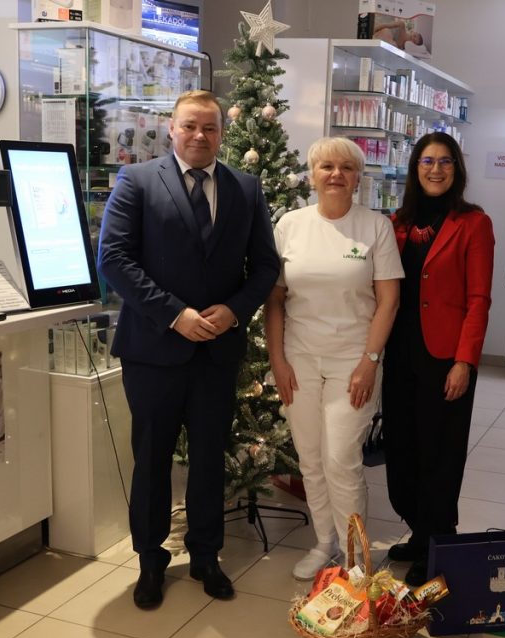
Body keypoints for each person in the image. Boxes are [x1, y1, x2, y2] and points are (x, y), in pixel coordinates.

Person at [98, 89, 279, 609]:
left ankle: (205, 555)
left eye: (210, 127)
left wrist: (235, 310)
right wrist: (175, 314)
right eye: (190, 126)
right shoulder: (137, 181)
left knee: (208, 460)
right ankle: (150, 559)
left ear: (222, 132)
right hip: (154, 351)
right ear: (172, 129)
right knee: (151, 460)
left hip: (216, 353)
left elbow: (265, 265)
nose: (200, 135)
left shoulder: (245, 188)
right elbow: (114, 259)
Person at [264, 137, 402, 581]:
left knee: (341, 459)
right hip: (299, 359)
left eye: (346, 167)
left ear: (359, 177)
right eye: (326, 166)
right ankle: (323, 542)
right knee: (309, 457)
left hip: (353, 360)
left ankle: (354, 554)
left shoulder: (375, 226)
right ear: (312, 175)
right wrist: (278, 361)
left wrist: (370, 361)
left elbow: (389, 301)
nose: (336, 174)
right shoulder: (290, 225)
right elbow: (275, 300)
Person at [381, 132, 495, 586]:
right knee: (402, 451)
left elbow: (479, 298)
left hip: (445, 359)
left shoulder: (473, 223)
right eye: (427, 161)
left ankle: (437, 540)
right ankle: (419, 529)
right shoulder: (397, 223)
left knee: (439, 454)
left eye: (445, 161)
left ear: (457, 170)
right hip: (399, 354)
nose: (436, 169)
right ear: (415, 168)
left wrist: (465, 361)